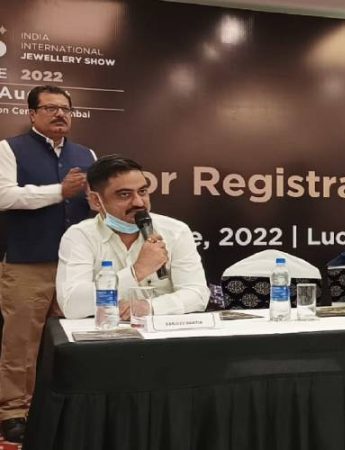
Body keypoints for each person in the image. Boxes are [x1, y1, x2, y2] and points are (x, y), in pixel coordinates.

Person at [0, 85, 95, 442]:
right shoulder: (9, 148)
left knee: (73, 337)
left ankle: (65, 403)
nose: (60, 114)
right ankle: (13, 411)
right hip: (28, 261)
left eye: (66, 109)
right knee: (21, 341)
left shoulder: (86, 153)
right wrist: (59, 191)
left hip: (78, 265)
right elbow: (4, 196)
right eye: (51, 108)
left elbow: (92, 202)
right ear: (32, 114)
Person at [56, 155, 210, 318]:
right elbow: (72, 306)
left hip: (162, 329)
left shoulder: (175, 231)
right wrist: (137, 271)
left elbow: (197, 294)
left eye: (142, 191)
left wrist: (149, 307)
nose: (139, 202)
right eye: (124, 194)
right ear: (96, 201)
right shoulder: (80, 236)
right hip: (105, 330)